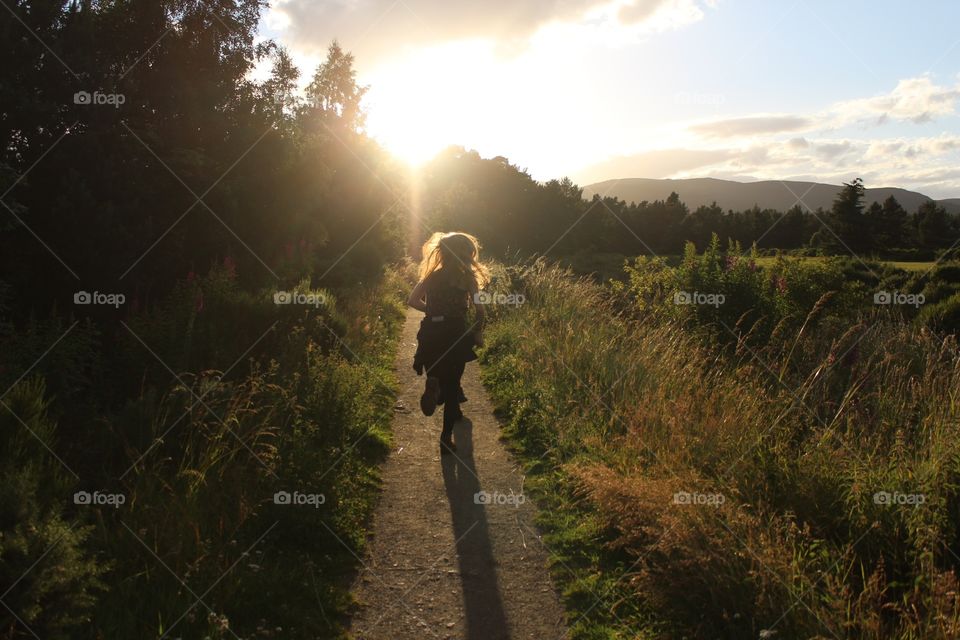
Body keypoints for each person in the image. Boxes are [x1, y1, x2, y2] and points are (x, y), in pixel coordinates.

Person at [407, 232, 489, 454]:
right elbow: (480, 310)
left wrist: (432, 310)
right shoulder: (467, 280)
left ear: (442, 252)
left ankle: (433, 381)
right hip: (455, 332)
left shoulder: (431, 276)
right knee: (453, 387)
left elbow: (412, 300)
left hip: (431, 332)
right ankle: (445, 439)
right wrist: (477, 331)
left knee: (436, 370)